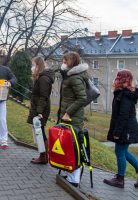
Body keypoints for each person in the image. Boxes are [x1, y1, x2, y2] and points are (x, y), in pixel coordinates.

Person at [103, 69, 138, 188]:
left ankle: (120, 178)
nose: (116, 79)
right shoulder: (122, 93)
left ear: (123, 79)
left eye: (118, 77)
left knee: (120, 152)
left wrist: (117, 132)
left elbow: (123, 115)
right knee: (122, 152)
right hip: (126, 129)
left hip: (125, 130)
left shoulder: (125, 95)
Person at [58, 52, 89, 187]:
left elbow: (82, 98)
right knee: (69, 146)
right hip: (68, 117)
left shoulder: (75, 77)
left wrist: (68, 113)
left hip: (73, 118)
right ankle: (70, 174)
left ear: (69, 61)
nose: (62, 62)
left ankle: (74, 180)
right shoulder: (70, 75)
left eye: (64, 60)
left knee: (74, 147)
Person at [27, 56, 55, 164]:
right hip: (38, 106)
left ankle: (44, 156)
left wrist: (39, 112)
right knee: (38, 130)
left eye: (33, 65)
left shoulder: (43, 78)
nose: (32, 67)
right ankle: (42, 155)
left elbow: (44, 96)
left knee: (40, 131)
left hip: (41, 108)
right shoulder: (40, 77)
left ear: (38, 65)